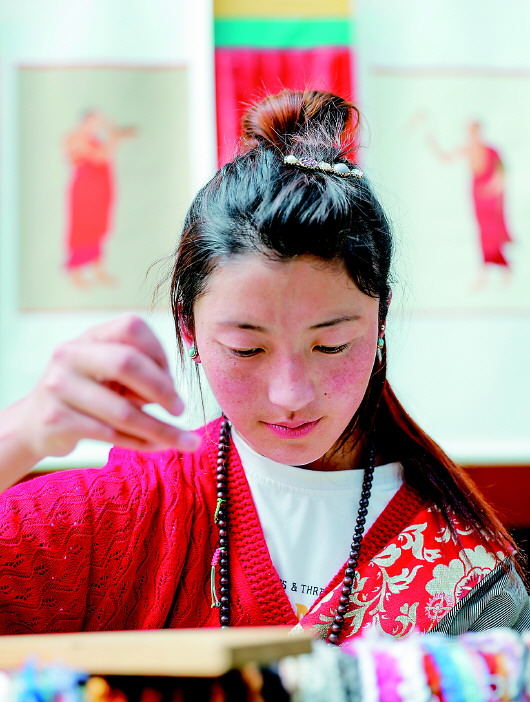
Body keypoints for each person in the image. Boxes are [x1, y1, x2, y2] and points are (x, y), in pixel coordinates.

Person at [0, 90, 528, 643]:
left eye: (332, 345)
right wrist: (22, 433)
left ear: (381, 320)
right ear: (189, 328)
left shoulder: (469, 577)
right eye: (246, 349)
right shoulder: (130, 515)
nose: (290, 395)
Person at [427, 120, 512, 289]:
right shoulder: (467, 148)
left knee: (492, 232)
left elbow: (502, 172)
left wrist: (494, 187)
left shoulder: (492, 150)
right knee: (482, 233)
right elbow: (446, 157)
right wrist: (432, 141)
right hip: (477, 195)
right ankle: (485, 273)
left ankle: (505, 268)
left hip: (490, 197)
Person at [63, 110, 136, 288]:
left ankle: (98, 269)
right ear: (85, 121)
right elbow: (99, 157)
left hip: (98, 192)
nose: (97, 125)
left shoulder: (94, 139)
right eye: (94, 121)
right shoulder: (75, 138)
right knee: (81, 230)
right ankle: (75, 273)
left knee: (96, 230)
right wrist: (115, 137)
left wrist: (113, 131)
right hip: (84, 192)